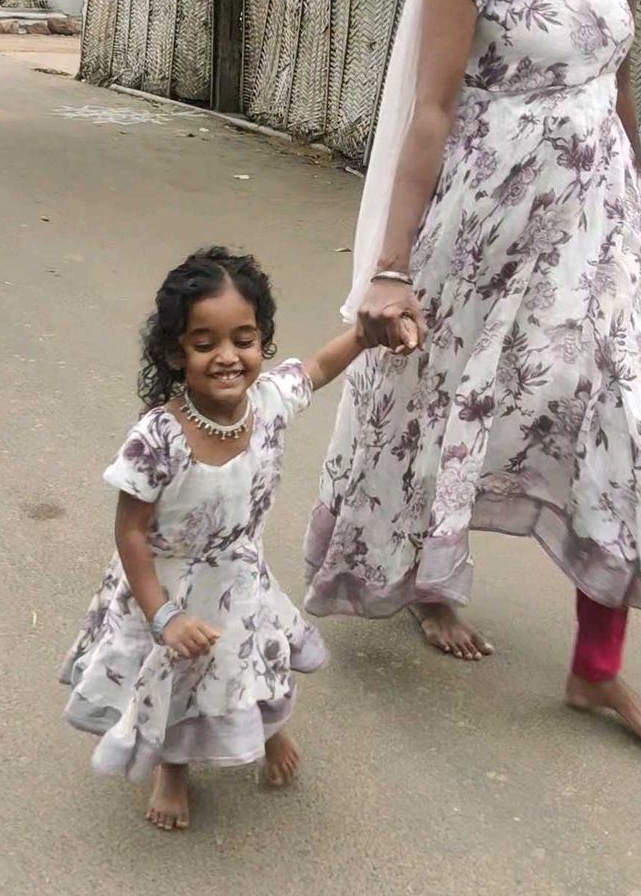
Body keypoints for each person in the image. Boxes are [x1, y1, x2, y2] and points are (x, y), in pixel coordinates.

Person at [304, 0, 641, 744]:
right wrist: (392, 270)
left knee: (635, 426)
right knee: (442, 403)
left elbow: (618, 72)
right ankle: (432, 581)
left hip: (602, 226)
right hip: (485, 224)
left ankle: (597, 671)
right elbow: (430, 111)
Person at [60, 247, 396, 831]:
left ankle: (265, 731)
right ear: (174, 351)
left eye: (243, 339)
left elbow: (316, 367)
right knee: (174, 680)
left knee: (250, 661)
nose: (227, 357)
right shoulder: (157, 437)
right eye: (203, 343)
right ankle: (174, 768)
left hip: (240, 577)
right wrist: (163, 616)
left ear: (262, 341)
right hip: (167, 589)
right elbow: (130, 533)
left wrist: (365, 335)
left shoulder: (267, 402)